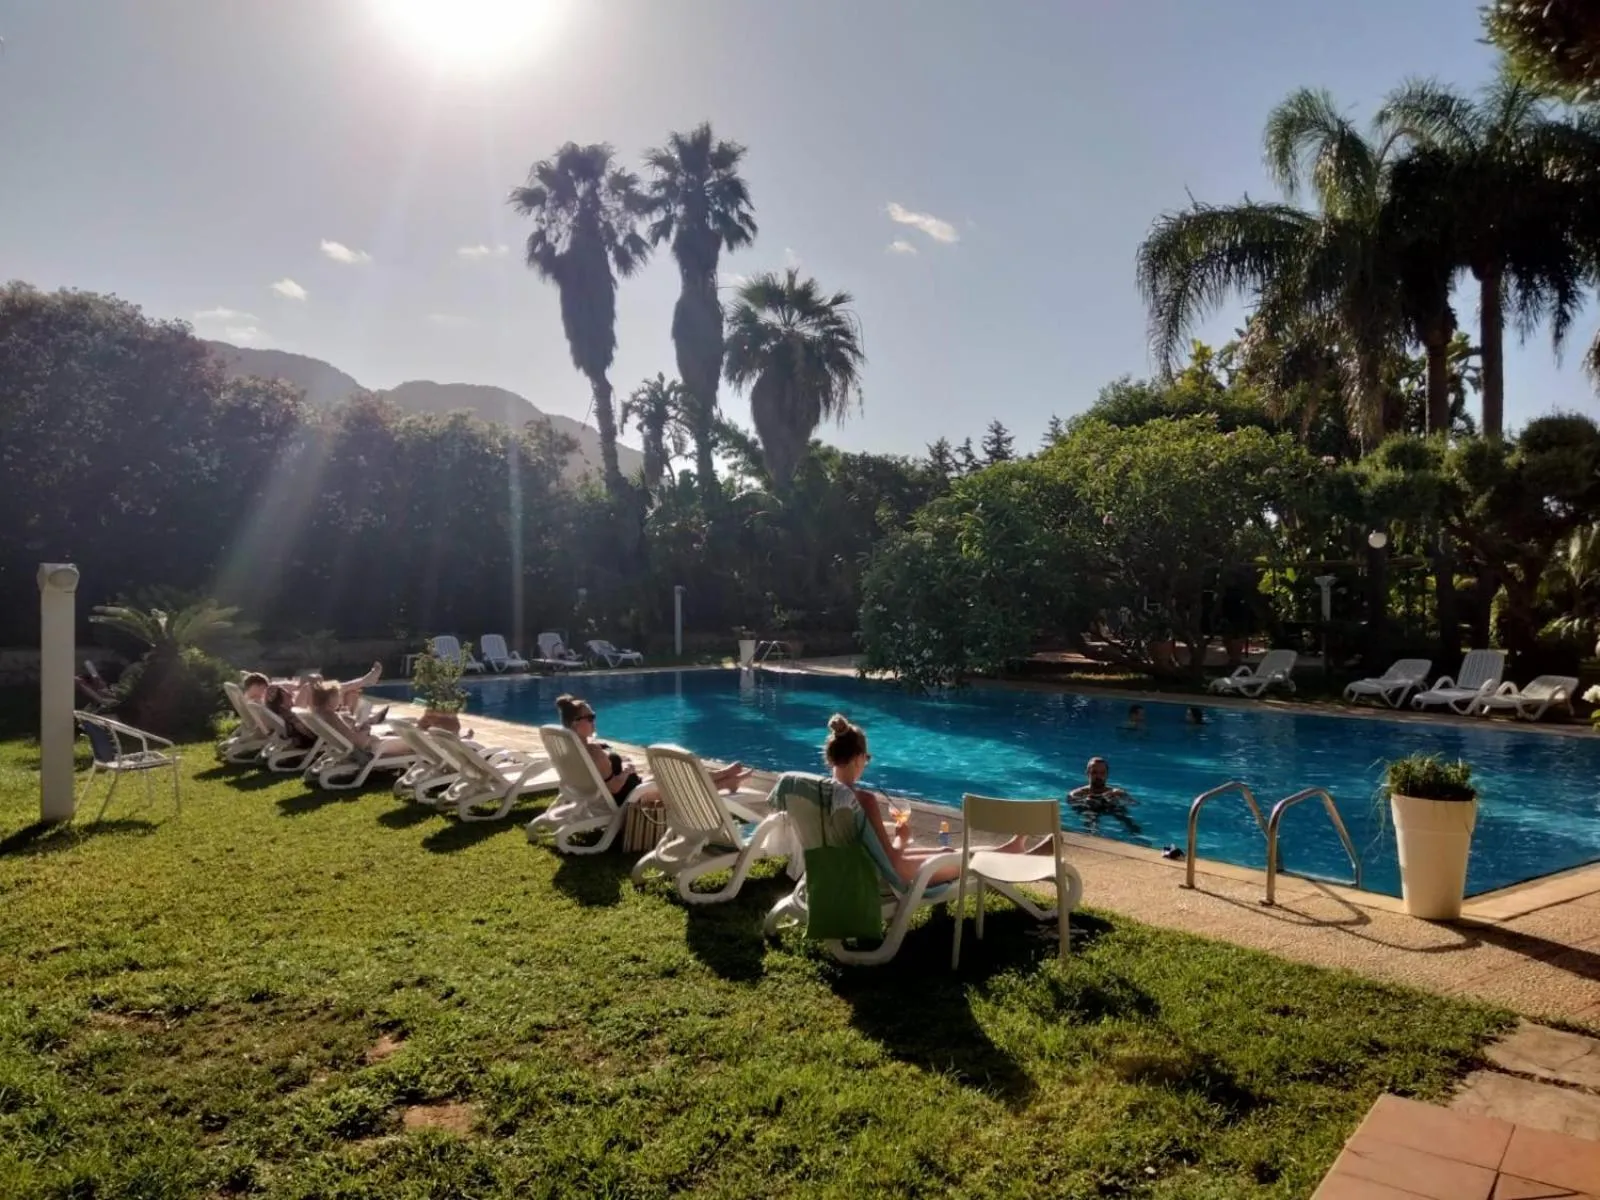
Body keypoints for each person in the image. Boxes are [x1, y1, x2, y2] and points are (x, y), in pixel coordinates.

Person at [822, 713, 963, 886]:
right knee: (960, 861)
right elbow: (890, 862)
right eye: (867, 759)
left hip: (841, 871)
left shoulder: (820, 793)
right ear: (859, 758)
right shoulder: (863, 800)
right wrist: (902, 838)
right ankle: (1001, 854)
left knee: (946, 850)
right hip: (879, 877)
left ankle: (1003, 851)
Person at [554, 694, 751, 806]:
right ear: (575, 724)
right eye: (589, 718)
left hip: (629, 789)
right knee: (682, 786)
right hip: (633, 798)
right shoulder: (593, 753)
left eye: (593, 716)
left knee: (676, 775)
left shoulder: (569, 747)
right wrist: (627, 770)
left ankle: (724, 776)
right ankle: (727, 781)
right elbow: (613, 787)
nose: (593, 720)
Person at [309, 681, 407, 759]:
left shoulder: (321, 714)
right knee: (409, 742)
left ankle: (375, 722)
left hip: (349, 746)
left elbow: (346, 734)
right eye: (338, 696)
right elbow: (357, 742)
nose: (340, 699)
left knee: (391, 733)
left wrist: (357, 727)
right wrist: (366, 730)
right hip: (369, 747)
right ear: (330, 698)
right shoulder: (331, 716)